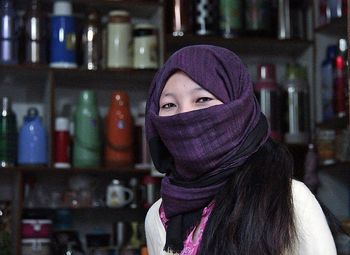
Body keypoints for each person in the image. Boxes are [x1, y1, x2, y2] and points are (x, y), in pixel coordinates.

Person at [144, 45, 336, 255]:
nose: (184, 115)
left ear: (239, 109)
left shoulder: (291, 200)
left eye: (202, 99)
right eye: (169, 105)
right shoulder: (159, 216)